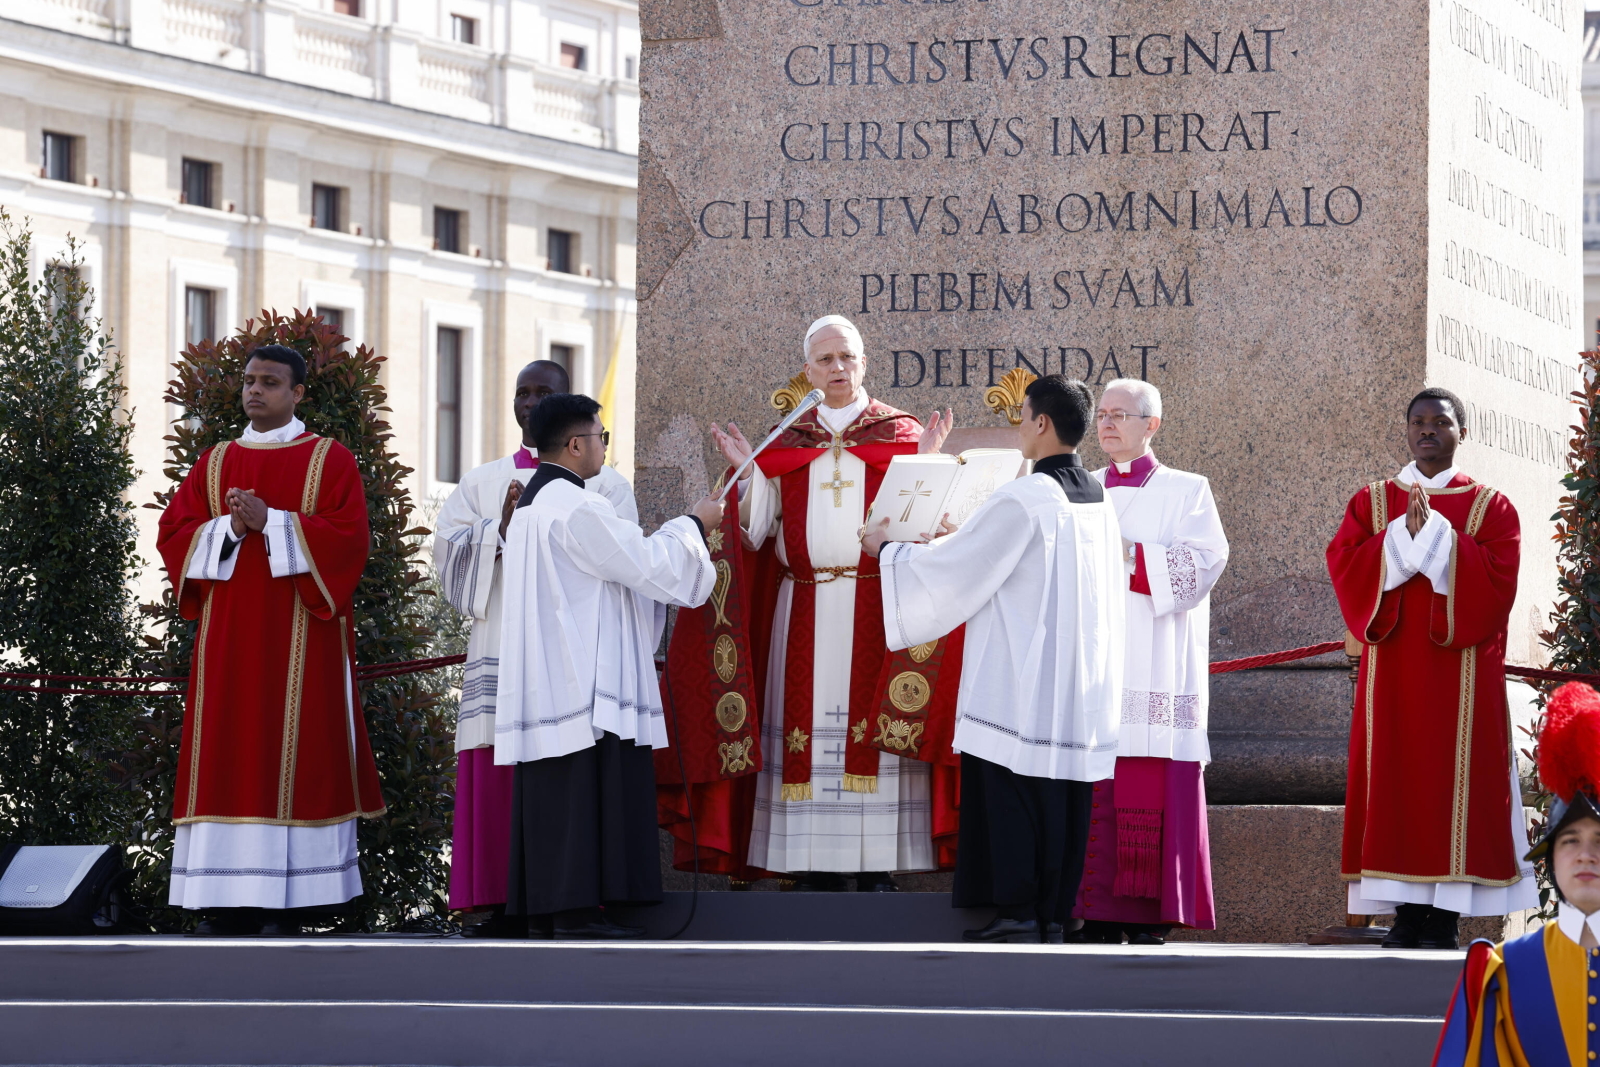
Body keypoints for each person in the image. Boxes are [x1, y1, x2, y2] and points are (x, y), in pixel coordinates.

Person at [862, 375, 1125, 943]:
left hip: (1019, 676)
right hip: (1076, 677)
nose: (1018, 427)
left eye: (1023, 415)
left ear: (1041, 424)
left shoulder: (1025, 495)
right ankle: (1058, 911)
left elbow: (956, 571)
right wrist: (965, 535)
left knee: (1011, 789)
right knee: (1064, 794)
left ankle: (1017, 909)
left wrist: (887, 551)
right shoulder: (1097, 497)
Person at [697, 315, 955, 891]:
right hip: (804, 604)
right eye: (825, 360)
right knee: (804, 730)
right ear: (807, 369)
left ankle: (876, 864)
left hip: (878, 607)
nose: (837, 369)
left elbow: (923, 528)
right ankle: (809, 860)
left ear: (864, 363)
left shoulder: (901, 433)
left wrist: (928, 465)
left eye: (847, 358)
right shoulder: (788, 438)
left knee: (876, 726)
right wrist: (749, 473)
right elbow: (759, 533)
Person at [157, 343, 384, 936]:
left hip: (301, 638)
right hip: (228, 639)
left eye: (271, 382)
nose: (255, 390)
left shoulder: (330, 460)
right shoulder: (213, 462)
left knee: (298, 750)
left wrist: (274, 522)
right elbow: (175, 534)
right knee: (227, 750)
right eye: (250, 381)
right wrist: (230, 526)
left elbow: (348, 539)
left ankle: (293, 901)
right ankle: (221, 900)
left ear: (298, 393)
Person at [495, 394, 722, 938]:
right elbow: (645, 565)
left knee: (556, 795)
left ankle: (551, 909)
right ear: (576, 444)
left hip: (548, 676)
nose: (603, 447)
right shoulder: (577, 508)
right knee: (579, 791)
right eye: (601, 436)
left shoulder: (532, 505)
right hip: (581, 679)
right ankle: (576, 914)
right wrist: (693, 524)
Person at [431, 360, 635, 938]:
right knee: (496, 772)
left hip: (571, 653)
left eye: (542, 391)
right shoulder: (481, 480)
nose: (528, 400)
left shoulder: (607, 483)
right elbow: (445, 560)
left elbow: (622, 566)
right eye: (521, 391)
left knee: (569, 771)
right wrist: (497, 529)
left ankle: (573, 900)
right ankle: (494, 901)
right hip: (499, 639)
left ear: (567, 402)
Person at [1327, 387, 1535, 950]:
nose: (1427, 431)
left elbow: (1497, 586)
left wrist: (1437, 536)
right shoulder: (1372, 503)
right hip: (1391, 674)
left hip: (1459, 674)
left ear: (1460, 432)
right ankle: (1405, 915)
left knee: (1453, 783)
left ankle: (1444, 918)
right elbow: (1346, 567)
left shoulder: (1492, 506)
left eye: (1439, 422)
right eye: (1417, 422)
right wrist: (1400, 535)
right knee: (1395, 780)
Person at [1073, 379, 1227, 945]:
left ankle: (1144, 915)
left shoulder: (1187, 490)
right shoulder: (1079, 488)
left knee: (1144, 783)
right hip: (1089, 661)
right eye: (1103, 415)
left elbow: (1204, 564)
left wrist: (1131, 556)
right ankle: (1090, 908)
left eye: (1122, 415)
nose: (1108, 424)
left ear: (1152, 425)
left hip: (1154, 659)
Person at [1434, 682, 1600, 1065]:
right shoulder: (1505, 970)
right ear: (1551, 859)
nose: (1585, 855)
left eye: (1599, 841)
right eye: (1570, 840)